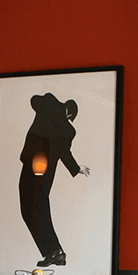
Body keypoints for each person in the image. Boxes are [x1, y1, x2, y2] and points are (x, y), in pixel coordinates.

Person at [18, 92, 89, 266]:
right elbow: (65, 154)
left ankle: (54, 251)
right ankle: (55, 251)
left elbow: (34, 99)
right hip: (45, 173)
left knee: (29, 209)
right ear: (70, 115)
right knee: (39, 207)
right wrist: (77, 168)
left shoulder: (48, 103)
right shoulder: (68, 130)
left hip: (32, 163)